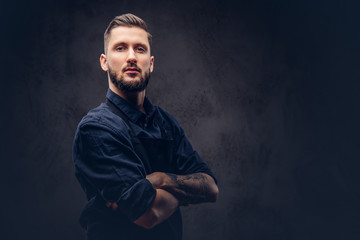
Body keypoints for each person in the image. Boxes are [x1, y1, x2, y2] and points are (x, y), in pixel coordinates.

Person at [72, 13, 219, 240]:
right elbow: (148, 213)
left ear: (150, 64)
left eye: (140, 49)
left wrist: (161, 179)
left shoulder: (165, 122)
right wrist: (186, 191)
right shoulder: (96, 128)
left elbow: (210, 187)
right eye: (120, 48)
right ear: (104, 61)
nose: (131, 57)